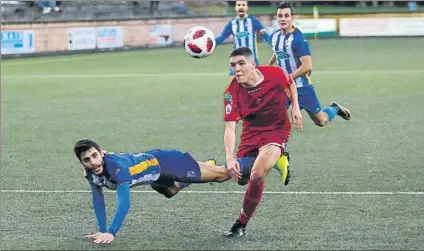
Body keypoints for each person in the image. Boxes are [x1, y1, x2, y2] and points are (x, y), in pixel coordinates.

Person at [74, 139, 262, 244]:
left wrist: (111, 232)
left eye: (95, 155)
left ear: (102, 153)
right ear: (81, 163)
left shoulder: (117, 169)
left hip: (167, 164)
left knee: (222, 174)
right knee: (170, 191)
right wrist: (102, 230)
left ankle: (266, 157)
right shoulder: (91, 174)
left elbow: (124, 203)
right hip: (155, 174)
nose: (93, 162)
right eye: (87, 159)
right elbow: (98, 200)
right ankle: (203, 167)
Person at [222, 47, 303, 237]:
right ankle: (278, 160)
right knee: (241, 179)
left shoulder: (274, 73)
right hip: (250, 134)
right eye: (233, 65)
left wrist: (296, 108)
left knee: (257, 175)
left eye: (241, 64)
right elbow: (230, 127)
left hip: (276, 130)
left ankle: (240, 224)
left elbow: (290, 83)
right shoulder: (231, 91)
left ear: (253, 64)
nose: (237, 69)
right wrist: (229, 157)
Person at [268, 2, 351, 127]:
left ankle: (335, 109)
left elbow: (307, 66)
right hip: (284, 88)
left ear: (292, 18)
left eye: (286, 16)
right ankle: (274, 143)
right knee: (274, 116)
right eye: (280, 16)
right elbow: (277, 52)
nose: (283, 19)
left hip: (302, 87)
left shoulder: (298, 39)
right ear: (277, 17)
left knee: (321, 121)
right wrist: (268, 67)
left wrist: (287, 78)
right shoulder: (275, 36)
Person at [215, 1, 271, 76]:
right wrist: (212, 44)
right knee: (234, 85)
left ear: (247, 8)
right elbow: (222, 37)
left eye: (243, 5)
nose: (241, 7)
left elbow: (265, 35)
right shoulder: (232, 23)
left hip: (251, 59)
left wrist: (274, 45)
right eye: (239, 5)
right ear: (235, 8)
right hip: (236, 60)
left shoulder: (253, 21)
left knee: (255, 85)